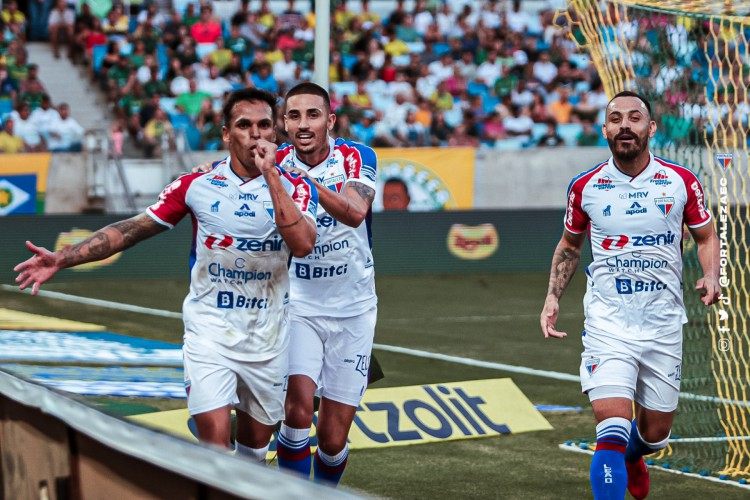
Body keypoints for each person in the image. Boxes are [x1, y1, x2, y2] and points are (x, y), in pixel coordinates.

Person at [13, 88, 319, 463]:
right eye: (244, 125)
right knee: (216, 449)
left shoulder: (298, 187)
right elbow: (133, 228)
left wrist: (271, 174)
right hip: (210, 334)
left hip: (268, 338)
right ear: (226, 133)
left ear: (275, 133)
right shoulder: (196, 186)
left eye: (264, 126)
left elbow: (302, 244)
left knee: (254, 453)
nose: (255, 135)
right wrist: (62, 258)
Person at [540, 91, 720, 500]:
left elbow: (706, 236)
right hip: (608, 324)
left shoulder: (680, 182)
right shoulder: (585, 187)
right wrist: (553, 297)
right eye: (615, 118)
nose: (625, 125)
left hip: (663, 325)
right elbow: (569, 246)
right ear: (604, 129)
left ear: (651, 128)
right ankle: (620, 458)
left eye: (634, 117)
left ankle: (637, 457)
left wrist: (711, 274)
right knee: (611, 432)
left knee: (655, 435)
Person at [274, 82, 378, 487]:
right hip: (296, 306)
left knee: (333, 441)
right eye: (294, 115)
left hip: (354, 310)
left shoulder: (357, 157)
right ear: (283, 122)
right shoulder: (274, 162)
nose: (303, 124)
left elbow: (355, 211)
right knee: (297, 411)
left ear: (329, 120)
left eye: (312, 115)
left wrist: (301, 183)